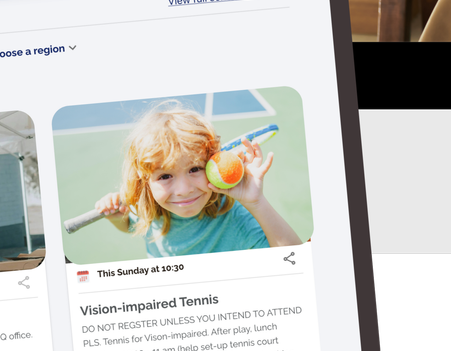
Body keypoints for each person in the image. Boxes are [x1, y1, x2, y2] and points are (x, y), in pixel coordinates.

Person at [87, 101, 304, 256]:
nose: (183, 189)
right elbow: (132, 225)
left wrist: (256, 202)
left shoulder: (233, 217)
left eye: (194, 169)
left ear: (212, 164)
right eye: (165, 176)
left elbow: (294, 260)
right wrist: (118, 218)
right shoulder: (149, 208)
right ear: (145, 182)